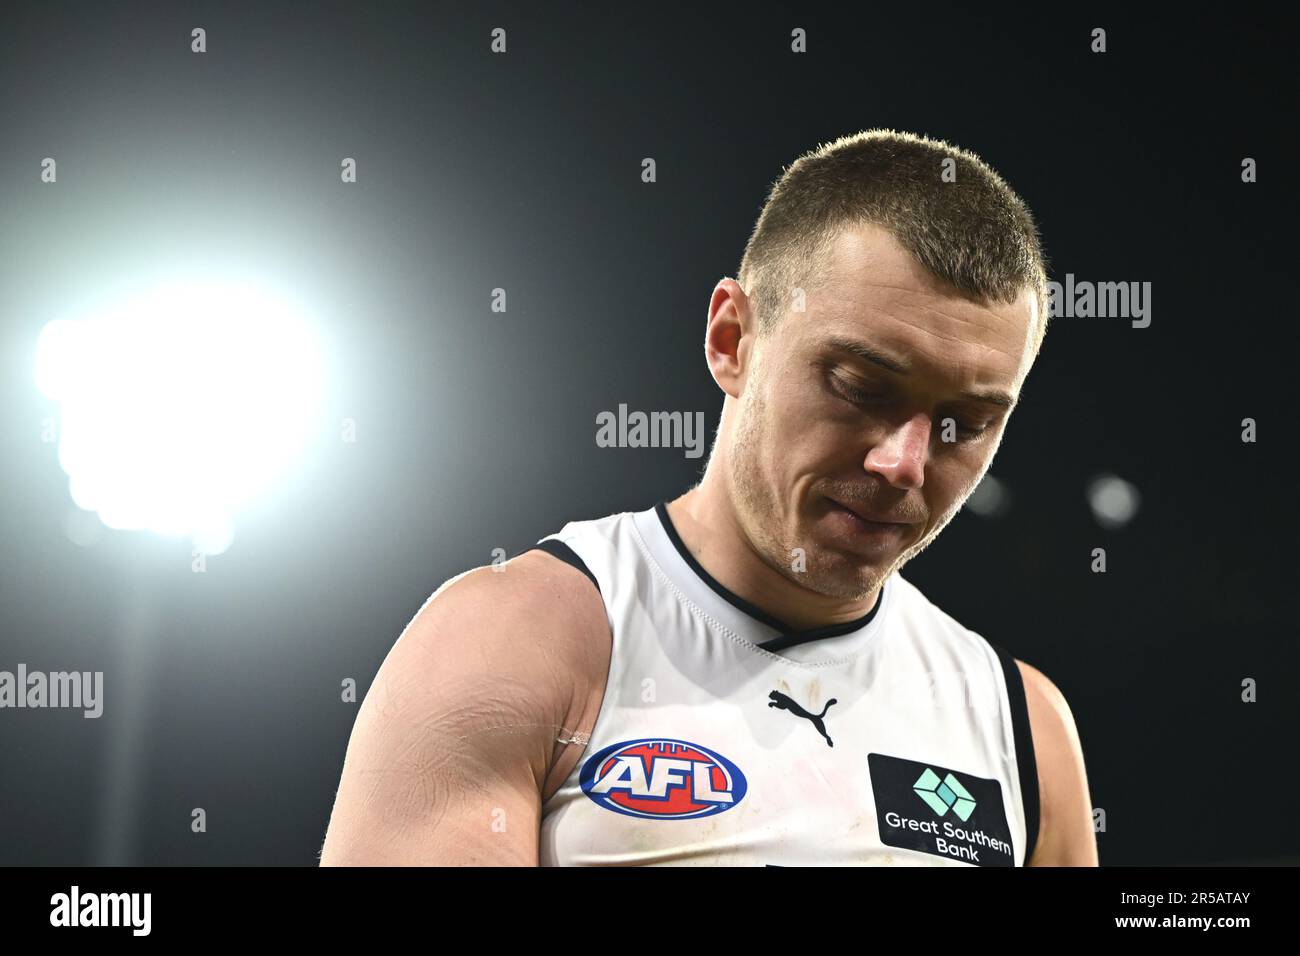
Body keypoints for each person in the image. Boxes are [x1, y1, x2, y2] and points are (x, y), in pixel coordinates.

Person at [320, 129, 1098, 866]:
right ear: (733, 340)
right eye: (862, 387)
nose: (903, 463)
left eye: (964, 424)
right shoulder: (510, 644)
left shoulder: (1021, 726)